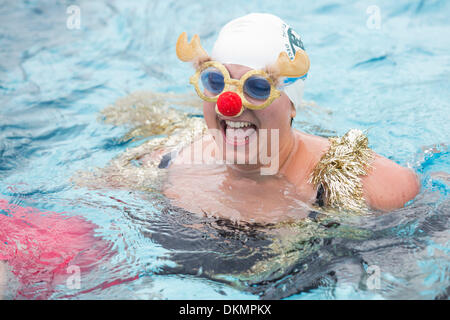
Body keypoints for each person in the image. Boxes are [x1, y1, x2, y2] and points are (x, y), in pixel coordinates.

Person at [158, 13, 420, 221]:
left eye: (258, 87)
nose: (230, 106)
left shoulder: (367, 184)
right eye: (216, 81)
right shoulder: (172, 162)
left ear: (293, 104)